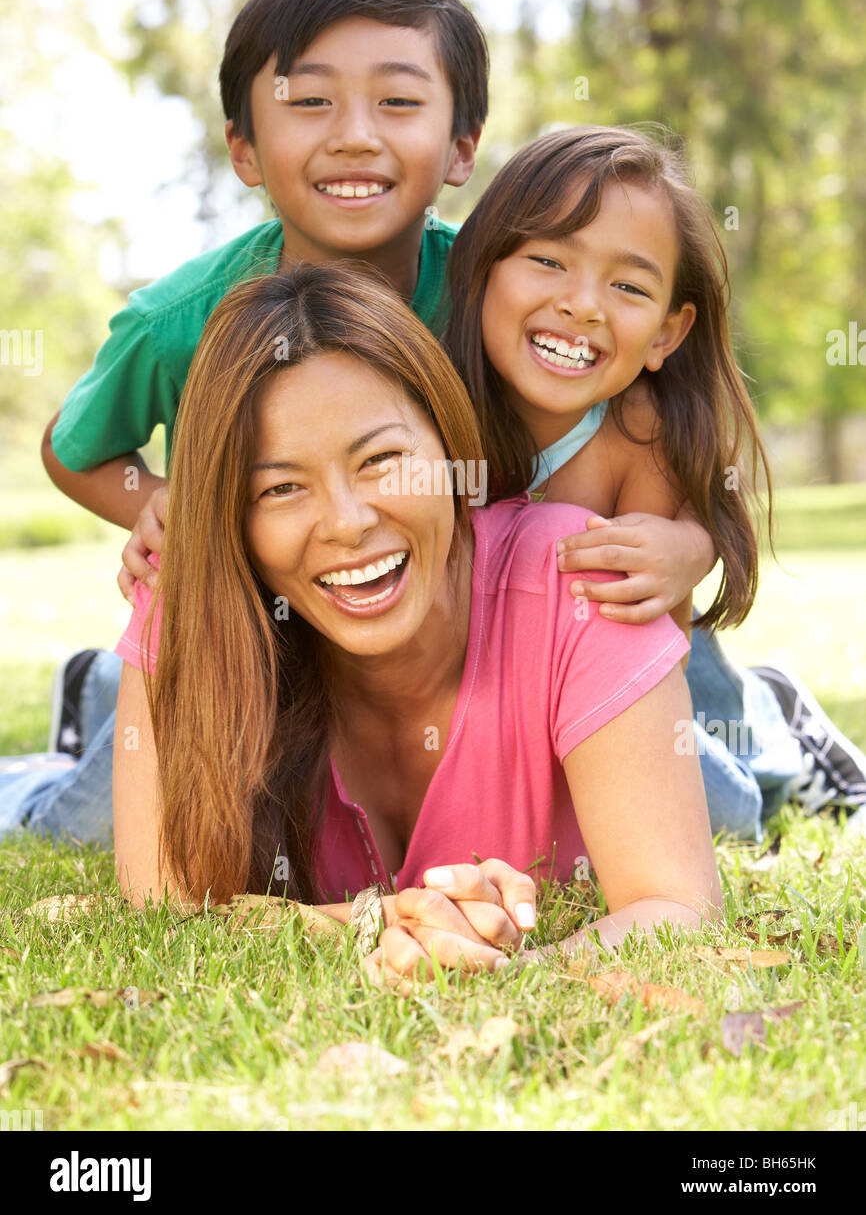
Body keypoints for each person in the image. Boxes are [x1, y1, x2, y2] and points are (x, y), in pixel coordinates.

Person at [110, 263, 721, 981]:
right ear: (229, 517)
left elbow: (678, 907)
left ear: (453, 450)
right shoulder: (190, 600)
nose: (347, 523)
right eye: (278, 488)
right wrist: (384, 920)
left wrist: (497, 977)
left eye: (384, 460)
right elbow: (162, 906)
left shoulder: (579, 581)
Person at [19, 0, 490, 841]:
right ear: (243, 149)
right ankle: (93, 707)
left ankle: (759, 713)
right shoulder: (182, 319)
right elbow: (73, 450)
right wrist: (164, 503)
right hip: (256, 643)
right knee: (80, 826)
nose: (354, 133)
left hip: (432, 645)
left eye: (398, 101)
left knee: (715, 792)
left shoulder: (491, 293)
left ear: (462, 146)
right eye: (308, 103)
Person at [439, 124, 866, 840]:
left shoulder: (640, 434)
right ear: (483, 266)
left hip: (660, 671)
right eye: (547, 259)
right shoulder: (427, 414)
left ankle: (778, 726)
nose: (582, 304)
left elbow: (645, 670)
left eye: (628, 285)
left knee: (731, 811)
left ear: (667, 334)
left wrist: (680, 549)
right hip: (516, 685)